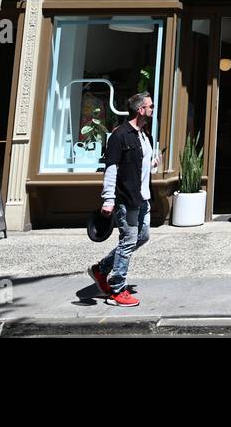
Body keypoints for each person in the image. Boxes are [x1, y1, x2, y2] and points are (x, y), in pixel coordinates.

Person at [89, 92, 160, 307]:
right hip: (125, 198)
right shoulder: (119, 135)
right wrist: (108, 199)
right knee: (128, 241)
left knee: (142, 236)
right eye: (150, 106)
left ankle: (101, 269)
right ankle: (117, 290)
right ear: (141, 110)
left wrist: (153, 163)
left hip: (143, 197)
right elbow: (111, 169)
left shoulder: (143, 134)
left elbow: (140, 162)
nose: (152, 109)